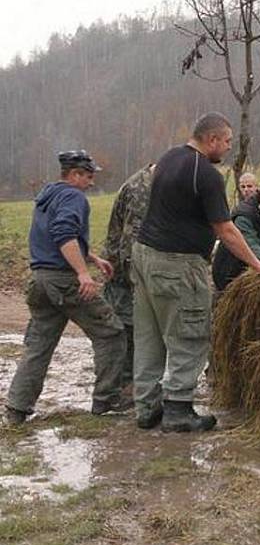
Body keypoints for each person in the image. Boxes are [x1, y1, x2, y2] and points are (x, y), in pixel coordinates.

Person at [132, 112, 260, 432]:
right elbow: (226, 229)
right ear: (211, 139)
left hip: (143, 256)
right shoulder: (206, 174)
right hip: (178, 264)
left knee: (149, 335)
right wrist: (258, 265)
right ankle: (178, 410)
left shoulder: (168, 158)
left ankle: (147, 408)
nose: (227, 149)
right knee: (190, 333)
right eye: (225, 142)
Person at [5, 151, 129, 424]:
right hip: (63, 280)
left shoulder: (47, 195)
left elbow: (53, 237)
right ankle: (106, 400)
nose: (91, 182)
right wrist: (83, 273)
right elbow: (63, 233)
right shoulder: (74, 196)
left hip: (39, 280)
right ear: (74, 175)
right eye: (88, 176)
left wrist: (91, 257)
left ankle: (17, 407)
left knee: (39, 345)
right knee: (111, 332)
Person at [101, 163, 156, 395]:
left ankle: (125, 384)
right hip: (123, 274)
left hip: (124, 269)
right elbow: (130, 240)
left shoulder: (146, 182)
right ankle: (121, 387)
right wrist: (139, 280)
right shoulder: (142, 188)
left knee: (129, 329)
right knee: (126, 330)